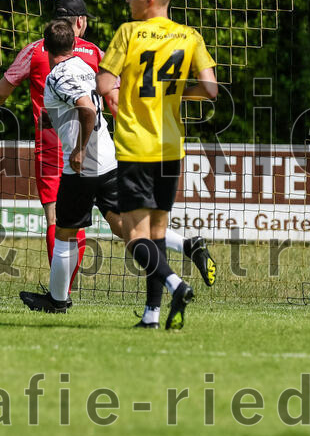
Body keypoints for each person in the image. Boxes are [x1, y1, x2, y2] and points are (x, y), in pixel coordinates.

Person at [19, 21, 213, 315]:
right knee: (125, 228)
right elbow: (84, 105)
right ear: (74, 45)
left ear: (45, 47)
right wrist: (53, 121)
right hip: (109, 161)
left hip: (83, 169)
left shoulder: (57, 75)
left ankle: (57, 300)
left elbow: (86, 109)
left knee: (64, 233)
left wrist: (79, 149)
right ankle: (186, 252)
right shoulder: (87, 66)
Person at [96, 0, 219, 330]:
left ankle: (176, 284)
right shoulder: (189, 35)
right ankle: (151, 315)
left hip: (136, 145)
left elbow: (104, 80)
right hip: (171, 147)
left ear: (149, 0)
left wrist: (115, 87)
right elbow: (211, 90)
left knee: (134, 236)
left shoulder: (129, 33)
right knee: (159, 233)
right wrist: (180, 91)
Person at [0, 0, 102, 291]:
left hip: (52, 141)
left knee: (55, 216)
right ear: (80, 22)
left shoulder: (35, 51)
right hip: (92, 142)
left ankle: (61, 289)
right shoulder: (95, 53)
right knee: (86, 217)